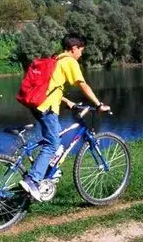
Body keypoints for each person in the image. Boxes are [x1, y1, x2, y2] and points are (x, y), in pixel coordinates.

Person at [19, 35, 110, 201]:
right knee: (52, 143)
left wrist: (67, 101)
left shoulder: (55, 59)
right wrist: (98, 105)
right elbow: (82, 84)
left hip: (37, 105)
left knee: (57, 136)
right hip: (47, 108)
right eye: (81, 51)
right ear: (74, 48)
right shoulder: (69, 61)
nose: (81, 55)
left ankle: (48, 173)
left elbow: (51, 87)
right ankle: (32, 180)